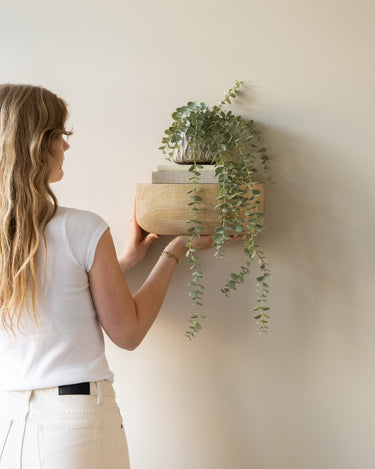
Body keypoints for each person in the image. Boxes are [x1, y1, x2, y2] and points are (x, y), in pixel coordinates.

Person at [0, 84, 215, 468]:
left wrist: (119, 262)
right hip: (74, 422)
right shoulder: (82, 228)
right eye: (59, 135)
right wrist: (175, 248)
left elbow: (52, 288)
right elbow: (128, 333)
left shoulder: (11, 241)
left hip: (12, 424)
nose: (66, 146)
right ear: (36, 144)